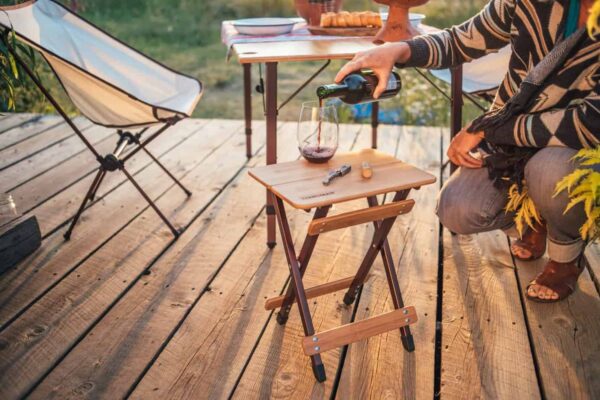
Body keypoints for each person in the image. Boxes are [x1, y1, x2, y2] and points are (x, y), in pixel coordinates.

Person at [336, 0, 599, 302]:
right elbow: (460, 40)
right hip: (513, 140)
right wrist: (398, 51)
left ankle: (565, 257)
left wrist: (487, 128)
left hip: (580, 148)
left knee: (549, 171)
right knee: (456, 209)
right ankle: (535, 216)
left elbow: (591, 123)